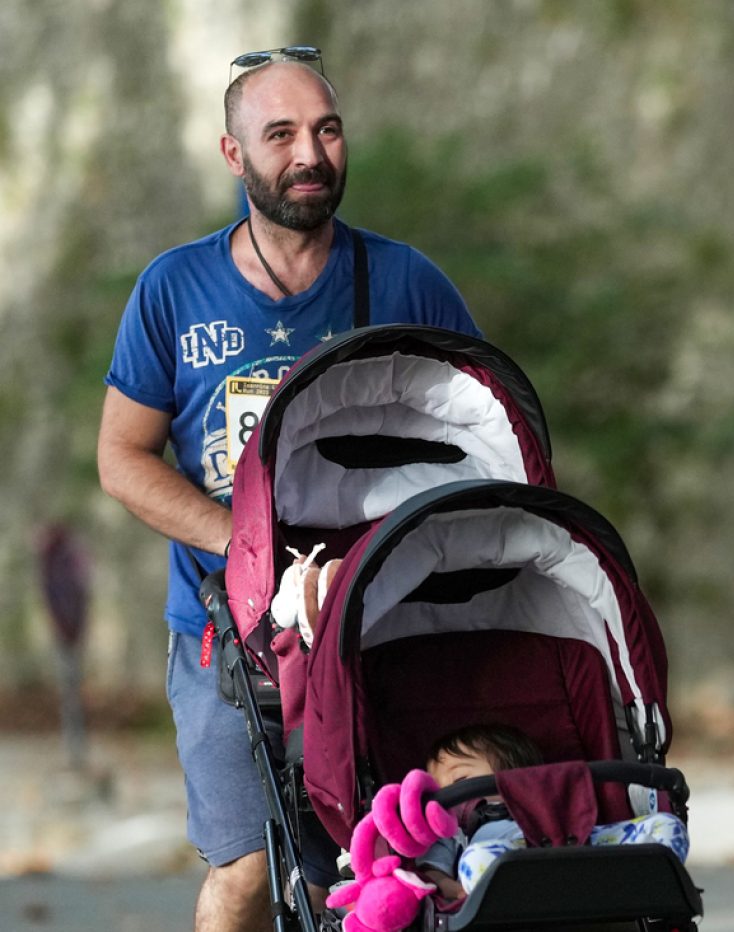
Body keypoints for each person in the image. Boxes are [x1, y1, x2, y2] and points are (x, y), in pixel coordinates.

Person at [96, 48, 483, 932]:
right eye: (281, 135)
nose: (310, 153)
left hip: (373, 622)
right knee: (244, 872)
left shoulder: (408, 282)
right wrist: (247, 550)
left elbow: (486, 434)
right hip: (224, 635)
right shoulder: (173, 289)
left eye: (327, 130)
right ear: (233, 155)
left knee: (360, 869)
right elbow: (122, 458)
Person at [414, 724, 690, 904]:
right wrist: (453, 889)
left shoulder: (548, 795)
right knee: (476, 860)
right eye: (439, 789)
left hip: (577, 849)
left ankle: (629, 869)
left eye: (459, 781)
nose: (448, 795)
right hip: (507, 868)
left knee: (666, 826)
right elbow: (430, 870)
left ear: (515, 775)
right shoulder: (452, 827)